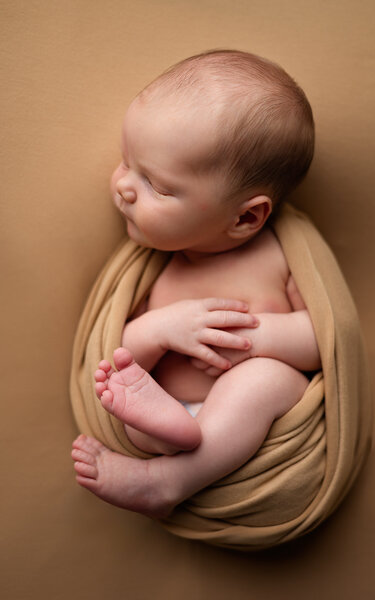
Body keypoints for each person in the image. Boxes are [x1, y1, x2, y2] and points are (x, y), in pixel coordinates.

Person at [71, 49, 321, 518]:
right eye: (128, 163)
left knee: (264, 379)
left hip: (251, 429)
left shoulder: (277, 256)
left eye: (158, 186)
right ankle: (170, 435)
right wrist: (162, 329)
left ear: (246, 217)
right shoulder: (151, 267)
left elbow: (324, 338)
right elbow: (114, 351)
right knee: (122, 379)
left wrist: (257, 339)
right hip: (163, 422)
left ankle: (167, 484)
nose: (124, 187)